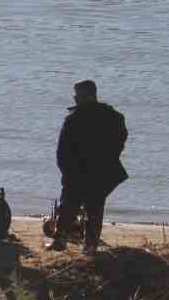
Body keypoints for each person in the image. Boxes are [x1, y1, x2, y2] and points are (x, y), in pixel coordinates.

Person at [50, 79, 128, 254]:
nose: (74, 98)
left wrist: (65, 171)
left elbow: (62, 150)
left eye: (77, 95)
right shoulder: (113, 116)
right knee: (95, 208)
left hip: (77, 171)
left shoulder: (73, 119)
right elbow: (121, 139)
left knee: (69, 205)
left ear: (86, 95)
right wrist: (111, 157)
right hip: (102, 170)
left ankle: (61, 240)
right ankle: (90, 245)